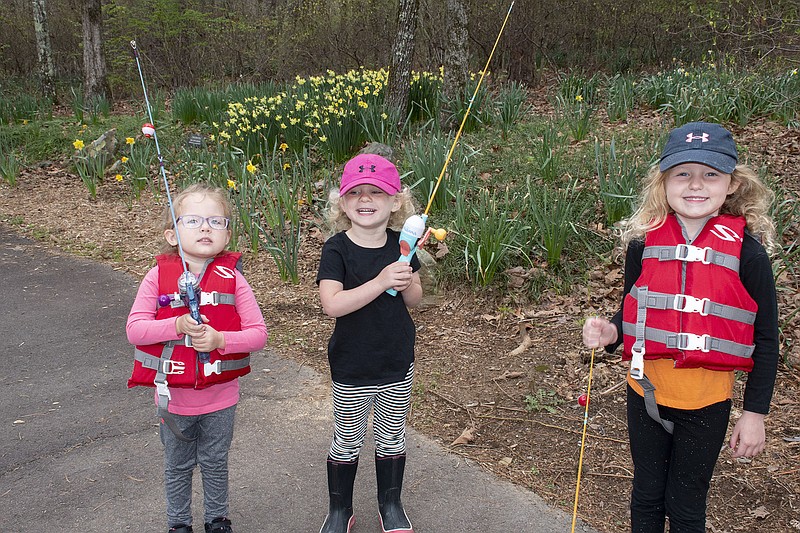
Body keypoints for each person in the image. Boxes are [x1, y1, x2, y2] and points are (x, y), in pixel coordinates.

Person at [582, 122, 780, 532]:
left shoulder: (749, 254)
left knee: (686, 505)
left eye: (711, 174)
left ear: (732, 184)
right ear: (664, 182)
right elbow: (632, 311)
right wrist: (610, 334)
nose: (696, 185)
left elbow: (765, 338)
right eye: (682, 173)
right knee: (647, 495)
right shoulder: (643, 243)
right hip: (645, 394)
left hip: (706, 405)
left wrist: (755, 413)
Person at [126, 183, 268, 533]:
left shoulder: (234, 279)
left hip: (221, 398)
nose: (205, 227)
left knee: (215, 461)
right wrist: (175, 324)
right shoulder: (157, 276)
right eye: (192, 220)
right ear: (171, 234)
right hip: (173, 399)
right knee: (177, 465)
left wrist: (220, 339)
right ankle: (179, 525)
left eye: (215, 221)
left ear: (227, 234)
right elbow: (135, 329)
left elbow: (258, 334)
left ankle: (217, 520)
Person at [316, 153, 423, 533]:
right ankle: (339, 510)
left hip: (396, 359)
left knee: (392, 435)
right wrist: (380, 281)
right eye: (356, 192)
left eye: (376, 192)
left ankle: (390, 504)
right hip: (351, 363)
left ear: (395, 202)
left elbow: (414, 300)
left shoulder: (401, 244)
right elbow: (332, 305)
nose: (366, 199)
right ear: (343, 203)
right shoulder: (336, 249)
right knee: (346, 439)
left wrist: (406, 272)